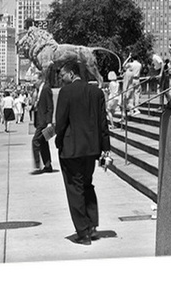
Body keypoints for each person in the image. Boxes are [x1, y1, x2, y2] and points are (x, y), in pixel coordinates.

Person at [54, 60, 112, 245]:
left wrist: (57, 140)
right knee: (87, 184)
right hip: (91, 150)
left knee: (75, 189)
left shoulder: (66, 92)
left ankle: (83, 232)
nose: (61, 79)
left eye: (62, 75)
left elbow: (61, 122)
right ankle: (92, 224)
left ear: (71, 74)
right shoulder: (96, 92)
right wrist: (105, 148)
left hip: (71, 150)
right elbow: (103, 123)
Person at [31, 75, 54, 174]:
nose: (33, 82)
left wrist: (49, 122)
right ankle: (48, 165)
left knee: (35, 141)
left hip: (43, 122)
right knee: (43, 143)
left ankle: (37, 165)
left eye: (35, 80)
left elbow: (50, 106)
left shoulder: (46, 89)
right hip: (40, 120)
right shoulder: (39, 90)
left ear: (41, 79)